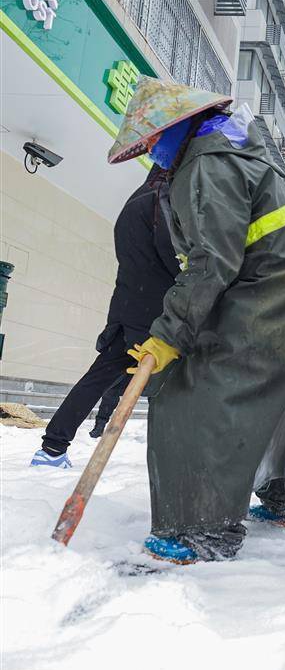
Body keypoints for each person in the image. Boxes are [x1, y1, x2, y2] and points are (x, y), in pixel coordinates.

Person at [106, 77, 285, 563]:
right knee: (276, 389)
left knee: (194, 391)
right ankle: (283, 497)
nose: (150, 154)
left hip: (266, 288)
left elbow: (212, 261)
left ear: (174, 128)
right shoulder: (235, 148)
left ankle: (200, 528)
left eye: (149, 142)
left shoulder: (206, 165)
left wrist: (168, 336)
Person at [30, 168, 177, 468]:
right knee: (173, 389)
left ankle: (52, 448)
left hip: (125, 309)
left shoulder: (133, 203)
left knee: (95, 380)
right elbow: (173, 261)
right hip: (154, 319)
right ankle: (171, 463)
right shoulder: (162, 202)